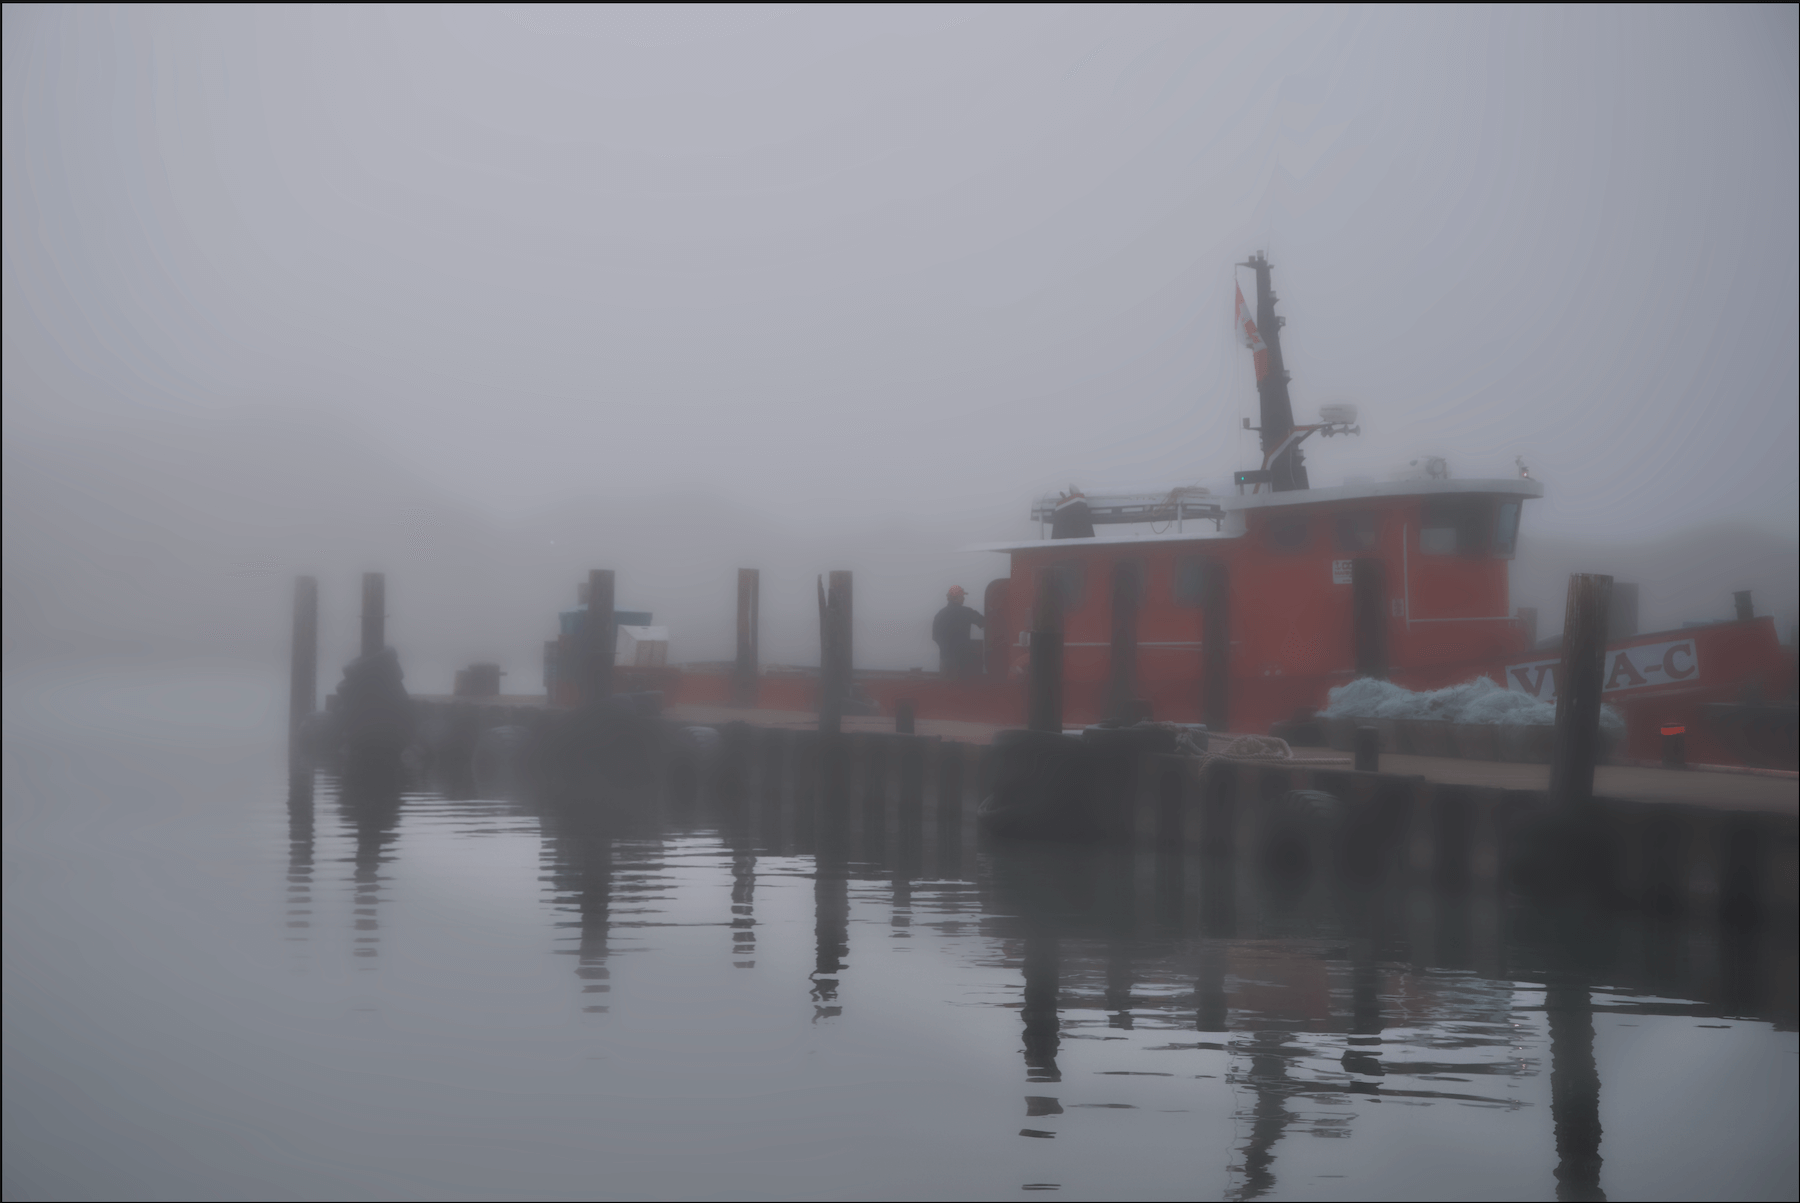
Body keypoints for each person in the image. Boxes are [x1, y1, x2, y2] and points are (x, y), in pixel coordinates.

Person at [932, 585, 985, 678]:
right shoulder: (966, 612)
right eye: (962, 595)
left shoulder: (940, 614)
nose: (964, 598)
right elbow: (983, 622)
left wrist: (945, 648)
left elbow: (935, 637)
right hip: (963, 662)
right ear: (957, 597)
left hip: (945, 661)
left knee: (947, 689)